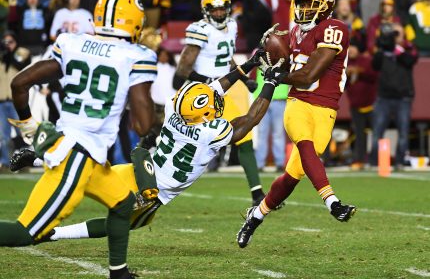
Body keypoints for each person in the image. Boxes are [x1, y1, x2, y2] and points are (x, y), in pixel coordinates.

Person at [10, 32, 287, 243]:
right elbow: (249, 120)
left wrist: (249, 63)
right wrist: (271, 83)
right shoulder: (210, 132)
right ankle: (54, 234)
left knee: (87, 171)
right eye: (212, 107)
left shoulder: (175, 106)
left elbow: (212, 90)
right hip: (155, 189)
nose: (217, 104)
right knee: (124, 222)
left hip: (139, 168)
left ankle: (38, 156)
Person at [0, 0, 156, 279]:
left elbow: (20, 84)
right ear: (134, 20)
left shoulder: (73, 43)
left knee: (123, 204)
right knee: (26, 232)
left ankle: (118, 272)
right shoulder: (136, 56)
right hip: (77, 157)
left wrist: (30, 129)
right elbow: (143, 126)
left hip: (85, 152)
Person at [237, 0, 356, 249]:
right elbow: (291, 71)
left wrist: (278, 75)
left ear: (325, 8)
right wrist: (269, 54)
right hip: (298, 104)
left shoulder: (334, 29)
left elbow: (309, 74)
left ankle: (255, 217)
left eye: (309, 4)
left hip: (325, 109)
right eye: (300, 3)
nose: (302, 9)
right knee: (305, 147)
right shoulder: (294, 33)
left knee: (293, 176)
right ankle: (333, 202)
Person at [173, 0, 266, 207]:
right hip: (209, 90)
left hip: (229, 85)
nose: (219, 14)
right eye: (214, 10)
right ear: (206, 11)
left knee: (244, 136)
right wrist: (201, 81)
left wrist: (243, 79)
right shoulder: (200, 29)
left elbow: (228, 59)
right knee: (198, 139)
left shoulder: (232, 25)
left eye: (222, 9)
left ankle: (257, 193)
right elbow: (184, 65)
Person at [369, 23, 418, 170]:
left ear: (403, 34)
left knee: (403, 132)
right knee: (377, 131)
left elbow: (410, 60)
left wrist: (395, 49)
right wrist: (381, 49)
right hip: (384, 96)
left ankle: (399, 162)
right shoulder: (383, 49)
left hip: (403, 97)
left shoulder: (408, 47)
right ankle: (373, 163)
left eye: (396, 33)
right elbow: (375, 65)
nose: (393, 36)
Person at [0, 30, 31, 170]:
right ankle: (6, 163)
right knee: (3, 135)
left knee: (22, 134)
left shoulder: (21, 52)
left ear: (16, 41)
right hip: (1, 102)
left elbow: (21, 65)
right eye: (5, 42)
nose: (8, 45)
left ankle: (24, 162)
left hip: (16, 102)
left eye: (10, 42)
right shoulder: (1, 56)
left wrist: (9, 53)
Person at [345, 42, 378, 170]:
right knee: (359, 134)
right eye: (349, 48)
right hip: (355, 105)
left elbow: (373, 76)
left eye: (353, 48)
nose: (351, 51)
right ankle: (360, 160)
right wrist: (346, 75)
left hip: (371, 104)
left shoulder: (366, 60)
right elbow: (343, 85)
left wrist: (360, 71)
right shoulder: (345, 63)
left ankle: (376, 160)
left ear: (358, 49)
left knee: (376, 133)